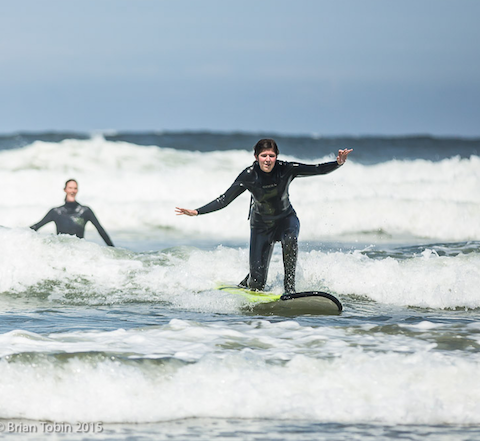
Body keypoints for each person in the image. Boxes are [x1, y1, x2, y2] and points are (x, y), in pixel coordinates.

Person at [175, 138, 352, 293]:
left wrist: (338, 163)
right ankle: (251, 277)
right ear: (256, 157)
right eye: (264, 155)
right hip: (261, 226)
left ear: (277, 156)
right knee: (257, 285)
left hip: (286, 220)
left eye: (271, 156)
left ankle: (289, 288)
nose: (268, 160)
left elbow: (317, 169)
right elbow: (225, 199)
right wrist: (197, 211)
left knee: (290, 239)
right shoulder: (249, 176)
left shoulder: (286, 169)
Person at [30, 179, 114, 247]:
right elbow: (36, 226)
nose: (73, 191)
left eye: (75, 188)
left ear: (77, 190)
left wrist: (113, 249)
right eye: (70, 188)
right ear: (65, 190)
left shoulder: (85, 211)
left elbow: (100, 230)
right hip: (61, 250)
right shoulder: (56, 212)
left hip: (79, 251)